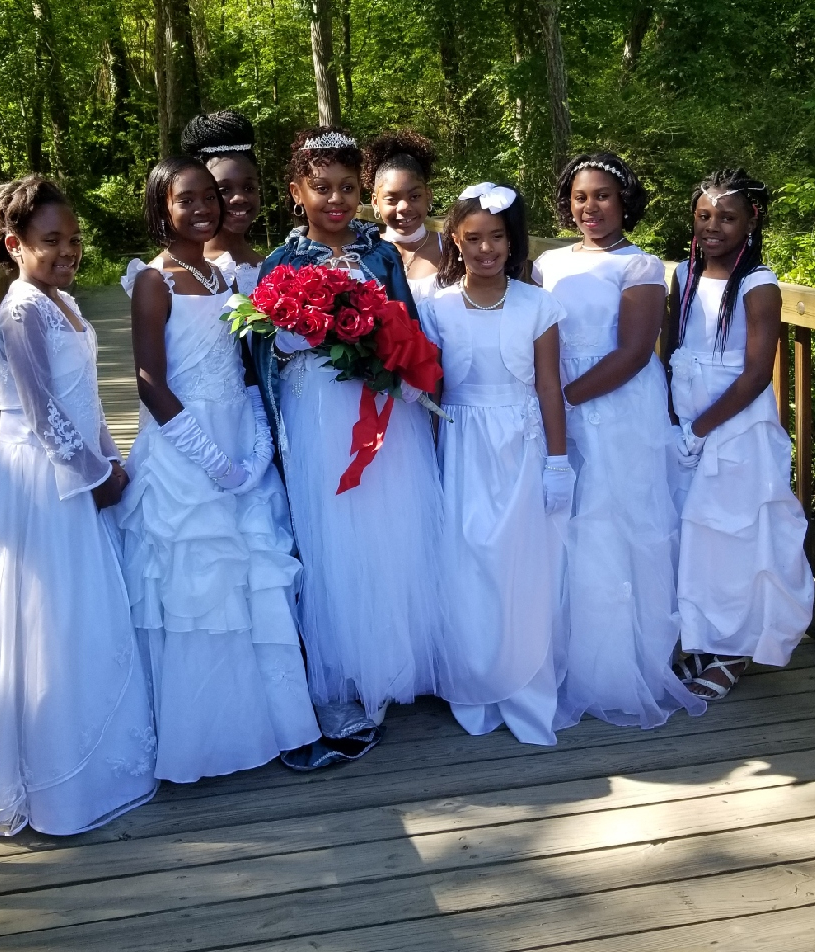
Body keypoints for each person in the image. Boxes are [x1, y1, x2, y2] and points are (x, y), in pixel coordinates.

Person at [0, 175, 156, 837]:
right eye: (51, 240)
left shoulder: (60, 300)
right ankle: (50, 782)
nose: (68, 251)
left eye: (74, 239)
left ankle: (89, 761)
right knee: (45, 617)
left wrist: (108, 453)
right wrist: (96, 475)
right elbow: (40, 408)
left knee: (77, 612)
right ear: (14, 244)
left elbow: (82, 397)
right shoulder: (21, 308)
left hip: (74, 468)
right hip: (38, 479)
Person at [114, 156, 319, 782]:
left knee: (253, 576)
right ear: (161, 208)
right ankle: (203, 736)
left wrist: (255, 446)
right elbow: (151, 385)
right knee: (198, 590)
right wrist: (210, 460)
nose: (204, 207)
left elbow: (241, 367)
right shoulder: (155, 281)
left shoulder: (223, 275)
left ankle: (272, 721)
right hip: (184, 450)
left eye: (211, 196)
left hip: (237, 441)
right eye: (187, 200)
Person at [250, 127, 444, 768]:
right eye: (321, 187)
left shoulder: (380, 254)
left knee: (390, 534)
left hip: (384, 416)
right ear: (296, 191)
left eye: (348, 189)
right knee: (336, 540)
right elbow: (255, 348)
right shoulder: (283, 264)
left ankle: (394, 665)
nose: (336, 200)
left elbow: (408, 322)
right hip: (320, 421)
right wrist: (287, 342)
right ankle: (347, 678)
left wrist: (395, 356)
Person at [534, 152, 705, 730]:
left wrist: (562, 400)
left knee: (616, 524)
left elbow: (634, 353)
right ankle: (565, 657)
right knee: (566, 527)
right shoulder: (548, 262)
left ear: (624, 200)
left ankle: (623, 663)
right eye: (581, 197)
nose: (591, 208)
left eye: (603, 196)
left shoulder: (641, 266)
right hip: (557, 400)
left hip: (616, 404)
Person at [420, 182, 572, 746]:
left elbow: (550, 388)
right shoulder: (436, 309)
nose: (485, 249)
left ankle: (526, 682)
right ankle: (476, 680)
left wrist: (558, 462)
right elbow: (429, 384)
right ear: (455, 243)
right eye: (473, 239)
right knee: (468, 563)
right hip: (461, 444)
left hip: (522, 444)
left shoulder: (538, 305)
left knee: (521, 564)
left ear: (513, 243)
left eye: (497, 239)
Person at [668, 169, 815, 700]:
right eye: (704, 216)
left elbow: (755, 373)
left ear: (751, 222)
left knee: (734, 535)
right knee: (696, 536)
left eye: (727, 217)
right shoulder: (683, 277)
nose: (713, 226)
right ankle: (703, 639)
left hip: (734, 426)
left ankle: (734, 648)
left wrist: (703, 428)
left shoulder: (758, 285)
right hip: (688, 421)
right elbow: (675, 349)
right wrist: (676, 421)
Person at [182, 110, 265, 294]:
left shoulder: (273, 268)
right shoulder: (174, 274)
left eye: (249, 188)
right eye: (224, 190)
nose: (239, 198)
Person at [363, 130, 442, 299]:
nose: (404, 207)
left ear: (428, 195)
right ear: (375, 202)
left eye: (414, 197)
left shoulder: (452, 250)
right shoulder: (364, 252)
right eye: (392, 199)